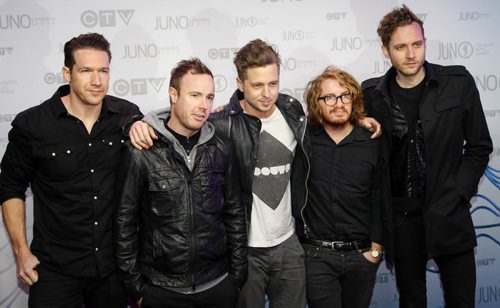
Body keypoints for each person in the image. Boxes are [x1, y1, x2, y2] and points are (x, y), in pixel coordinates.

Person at [361, 5, 492, 308]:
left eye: (417, 44)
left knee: (462, 301)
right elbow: (332, 118)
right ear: (385, 50)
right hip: (401, 223)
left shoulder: (458, 83)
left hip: (449, 214)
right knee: (412, 300)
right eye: (401, 47)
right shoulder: (371, 96)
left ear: (425, 43)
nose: (411, 54)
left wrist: (458, 194)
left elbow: (479, 147)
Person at [0, 33, 141, 307]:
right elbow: (10, 187)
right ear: (67, 73)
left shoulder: (127, 116)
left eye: (103, 70)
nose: (97, 81)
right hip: (55, 270)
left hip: (113, 270)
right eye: (86, 71)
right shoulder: (33, 125)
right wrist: (21, 252)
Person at [113, 58, 247, 308]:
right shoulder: (142, 150)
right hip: (162, 290)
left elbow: (235, 214)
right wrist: (137, 289)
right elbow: (124, 223)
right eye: (195, 95)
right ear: (173, 94)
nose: (203, 105)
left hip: (218, 285)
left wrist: (236, 277)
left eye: (209, 97)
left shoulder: (220, 147)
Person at [291, 67, 388, 308]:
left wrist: (376, 250)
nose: (338, 104)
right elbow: (267, 110)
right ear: (317, 103)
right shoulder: (303, 139)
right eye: (329, 97)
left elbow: (379, 196)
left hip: (361, 254)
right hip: (316, 255)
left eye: (345, 96)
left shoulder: (371, 141)